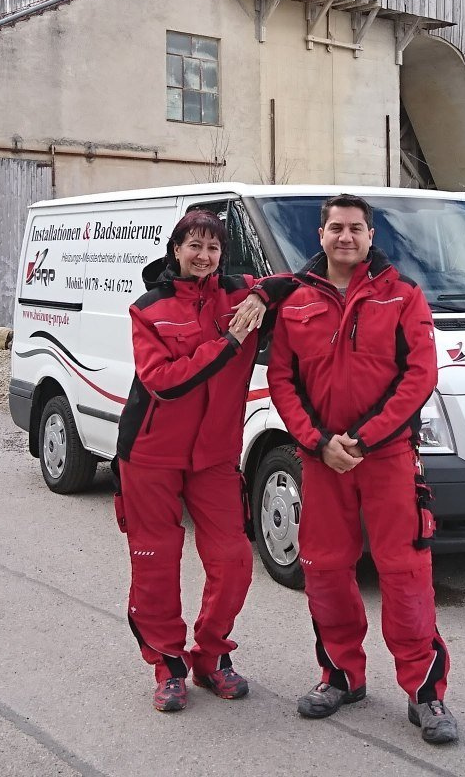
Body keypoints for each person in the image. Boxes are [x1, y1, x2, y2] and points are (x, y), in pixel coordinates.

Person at [266, 193, 457, 745]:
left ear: (371, 236)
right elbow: (282, 379)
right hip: (321, 462)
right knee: (324, 570)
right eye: (335, 229)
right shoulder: (297, 301)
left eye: (355, 228)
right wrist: (318, 442)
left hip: (388, 459)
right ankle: (341, 676)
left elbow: (419, 376)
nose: (345, 237)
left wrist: (365, 439)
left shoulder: (402, 296)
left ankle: (426, 694)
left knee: (404, 572)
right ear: (320, 236)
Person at [114, 209, 293, 713]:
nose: (203, 256)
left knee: (234, 558)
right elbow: (164, 381)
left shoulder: (239, 293)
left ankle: (211, 654)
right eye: (194, 245)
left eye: (213, 248)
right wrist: (229, 342)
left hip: (214, 455)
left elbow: (295, 281)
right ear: (175, 250)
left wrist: (261, 294)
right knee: (155, 561)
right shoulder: (148, 309)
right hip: (150, 452)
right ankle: (167, 664)